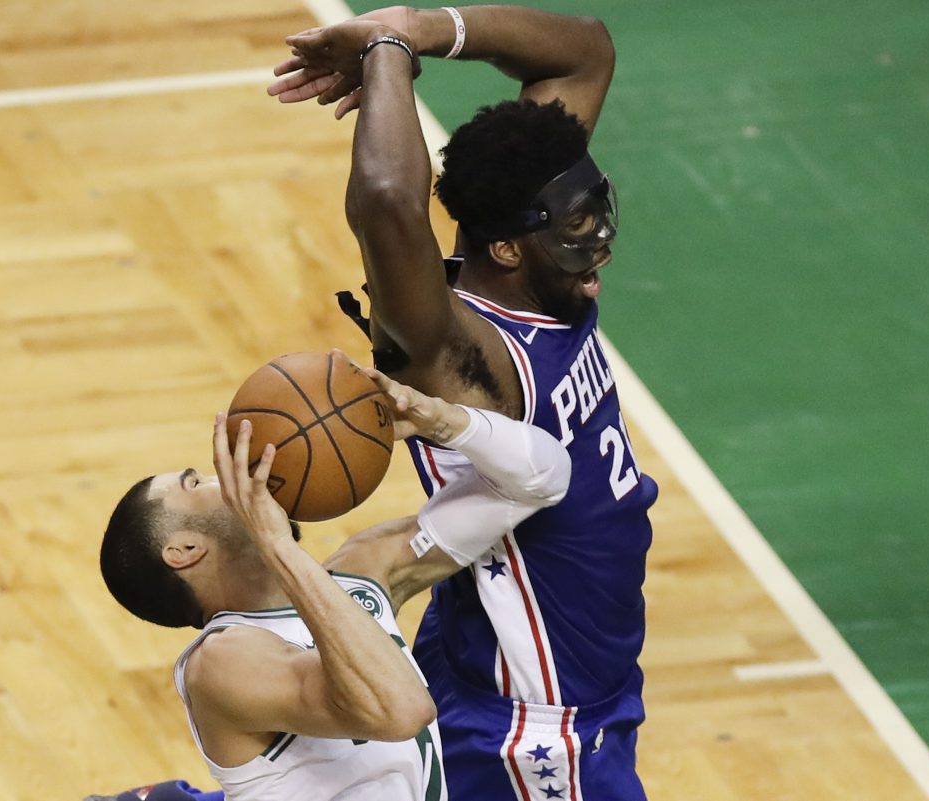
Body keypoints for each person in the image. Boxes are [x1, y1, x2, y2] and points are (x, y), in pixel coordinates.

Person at [267, 7, 660, 800]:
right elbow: (388, 199)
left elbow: (584, 54)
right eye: (576, 229)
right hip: (538, 724)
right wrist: (386, 51)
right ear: (507, 247)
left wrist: (423, 27)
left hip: (520, 653)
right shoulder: (458, 354)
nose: (600, 247)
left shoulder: (539, 271)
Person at [88, 361, 571, 801]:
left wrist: (444, 422)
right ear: (184, 551)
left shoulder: (363, 572)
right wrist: (277, 545)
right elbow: (401, 710)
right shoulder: (220, 664)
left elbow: (542, 480)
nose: (228, 476)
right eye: (195, 483)